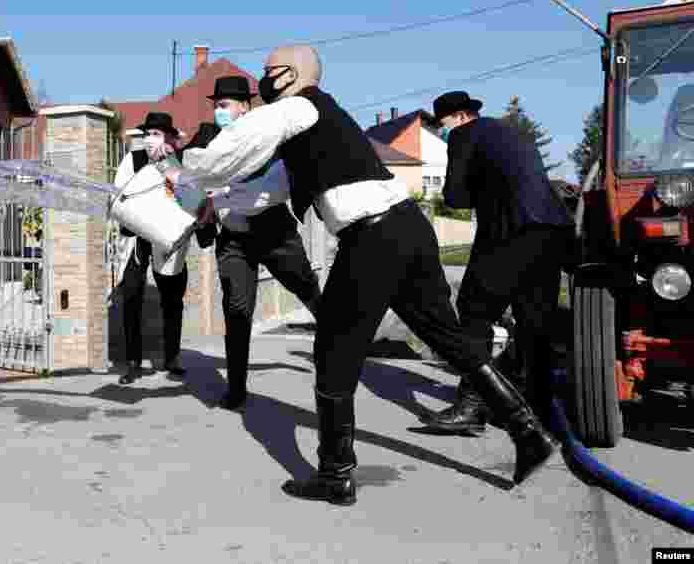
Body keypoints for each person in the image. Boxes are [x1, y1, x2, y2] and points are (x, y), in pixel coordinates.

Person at [157, 46, 557, 506]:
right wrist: (211, 191)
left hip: (373, 236)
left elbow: (225, 154)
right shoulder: (323, 119)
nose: (262, 81)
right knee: (447, 336)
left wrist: (177, 163)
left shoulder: (297, 106)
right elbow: (270, 184)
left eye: (268, 72)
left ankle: (335, 474)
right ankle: (529, 433)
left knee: (333, 352)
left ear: (288, 75)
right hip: (407, 226)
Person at [418, 91, 574, 435]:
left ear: (458, 117)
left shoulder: (463, 134)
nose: (441, 131)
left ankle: (473, 404)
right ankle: (539, 410)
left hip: (510, 231)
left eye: (441, 124)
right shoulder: (511, 132)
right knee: (535, 319)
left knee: (474, 313)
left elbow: (455, 197)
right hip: (552, 231)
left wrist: (476, 187)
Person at [185, 75, 321, 411]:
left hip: (273, 229)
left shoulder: (269, 135)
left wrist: (228, 191)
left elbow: (279, 180)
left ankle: (335, 341)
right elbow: (187, 172)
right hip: (233, 237)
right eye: (216, 106)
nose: (220, 112)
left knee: (306, 288)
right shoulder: (208, 138)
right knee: (237, 310)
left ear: (246, 107)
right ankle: (236, 387)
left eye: (225, 105)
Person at [111, 111, 191, 384]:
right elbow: (118, 194)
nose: (149, 139)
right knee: (131, 293)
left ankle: (172, 357)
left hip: (167, 238)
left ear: (168, 137)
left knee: (172, 297)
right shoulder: (132, 160)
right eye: (147, 134)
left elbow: (188, 196)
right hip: (136, 239)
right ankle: (133, 362)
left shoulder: (177, 162)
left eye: (156, 134)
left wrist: (168, 162)